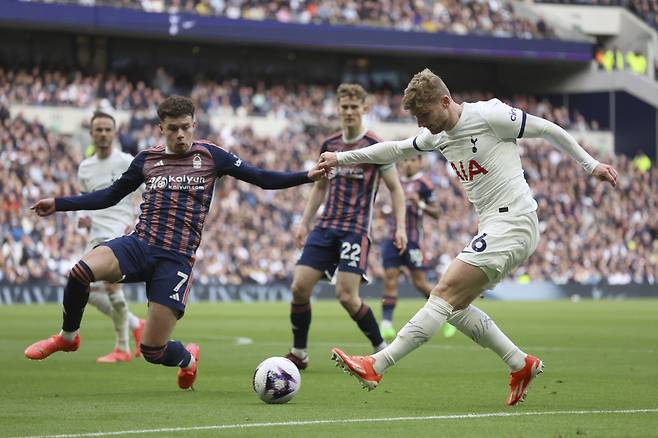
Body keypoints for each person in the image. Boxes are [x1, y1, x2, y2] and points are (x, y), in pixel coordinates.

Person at [319, 69, 618, 405]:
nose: (421, 124)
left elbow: (547, 129)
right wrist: (340, 158)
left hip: (515, 221)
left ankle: (377, 363)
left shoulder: (489, 115)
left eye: (424, 115)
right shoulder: (438, 135)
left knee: (443, 292)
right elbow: (393, 150)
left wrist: (590, 165)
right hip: (494, 225)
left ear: (445, 101)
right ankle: (520, 364)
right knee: (454, 307)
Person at [25, 96, 324, 390]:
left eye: (185, 127)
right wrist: (59, 203)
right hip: (139, 245)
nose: (180, 134)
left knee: (152, 351)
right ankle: (68, 337)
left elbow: (261, 177)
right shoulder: (146, 160)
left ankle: (188, 359)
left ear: (194, 124)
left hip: (175, 260)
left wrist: (306, 176)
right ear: (161, 128)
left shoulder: (211, 156)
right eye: (172, 128)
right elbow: (109, 196)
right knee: (79, 272)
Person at [285, 84, 407, 370]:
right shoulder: (330, 145)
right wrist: (305, 222)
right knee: (299, 287)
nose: (349, 111)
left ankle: (381, 349)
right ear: (338, 109)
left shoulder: (375, 145)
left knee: (346, 296)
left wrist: (400, 227)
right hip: (325, 227)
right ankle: (299, 353)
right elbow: (319, 188)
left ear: (364, 108)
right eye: (345, 107)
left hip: (355, 229)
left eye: (355, 107)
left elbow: (396, 190)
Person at [77, 111, 145, 364]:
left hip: (117, 232)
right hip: (96, 232)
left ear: (114, 133)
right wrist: (80, 219)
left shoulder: (128, 162)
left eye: (108, 129)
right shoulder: (85, 167)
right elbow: (84, 199)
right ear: (91, 133)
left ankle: (122, 348)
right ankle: (137, 326)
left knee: (108, 286)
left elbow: (148, 192)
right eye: (99, 130)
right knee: (84, 289)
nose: (103, 134)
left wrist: (135, 221)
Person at [379, 155, 456, 342]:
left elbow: (437, 213)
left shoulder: (424, 184)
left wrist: (419, 203)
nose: (408, 163)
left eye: (412, 160)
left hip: (413, 240)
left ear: (419, 162)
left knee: (420, 283)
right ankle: (386, 323)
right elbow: (387, 207)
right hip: (392, 239)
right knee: (390, 279)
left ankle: (447, 315)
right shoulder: (394, 181)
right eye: (405, 160)